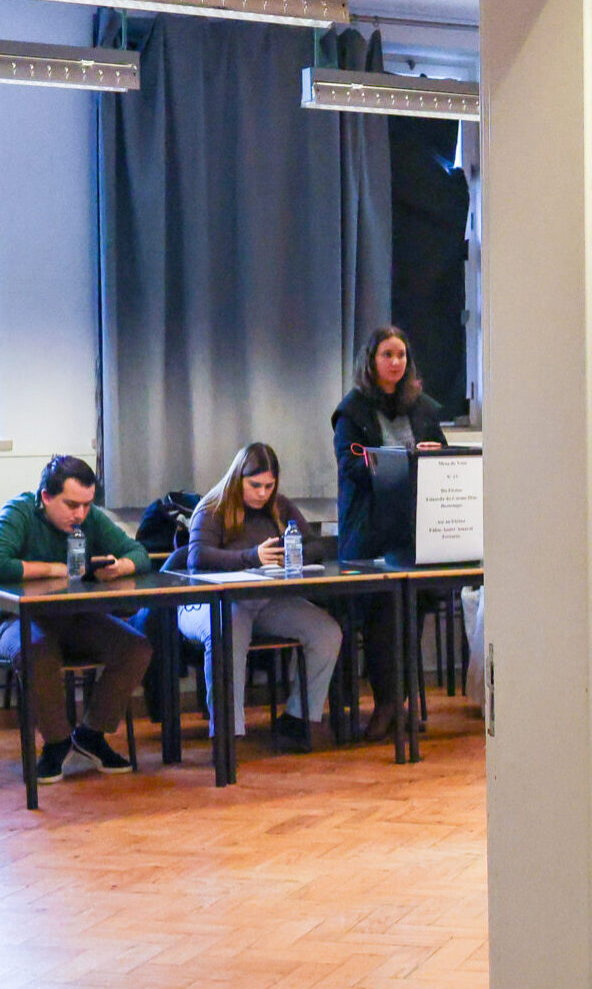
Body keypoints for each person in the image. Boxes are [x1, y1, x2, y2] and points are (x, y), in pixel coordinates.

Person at [177, 443, 342, 749]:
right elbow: (196, 557)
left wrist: (293, 553)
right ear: (237, 478)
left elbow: (317, 545)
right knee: (230, 627)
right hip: (209, 603)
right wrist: (252, 556)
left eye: (269, 486)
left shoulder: (279, 506)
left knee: (326, 632)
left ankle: (298, 719)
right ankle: (228, 733)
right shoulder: (212, 507)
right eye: (255, 485)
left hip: (264, 600)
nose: (263, 493)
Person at [0, 456, 151, 782]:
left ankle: (91, 734)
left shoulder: (89, 518)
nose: (80, 514)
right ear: (46, 497)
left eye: (87, 504)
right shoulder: (18, 513)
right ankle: (57, 743)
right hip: (16, 619)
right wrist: (55, 569)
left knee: (135, 648)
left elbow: (139, 553)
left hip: (74, 616)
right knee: (36, 649)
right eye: (71, 505)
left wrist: (120, 567)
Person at [332, 324, 447, 739]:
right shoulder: (352, 411)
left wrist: (432, 454)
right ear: (372, 360)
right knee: (381, 617)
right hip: (369, 532)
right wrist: (399, 458)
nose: (396, 362)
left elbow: (442, 454)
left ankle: (401, 704)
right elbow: (349, 465)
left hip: (414, 531)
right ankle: (386, 705)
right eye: (387, 355)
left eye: (401, 355)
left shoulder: (424, 408)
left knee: (411, 616)